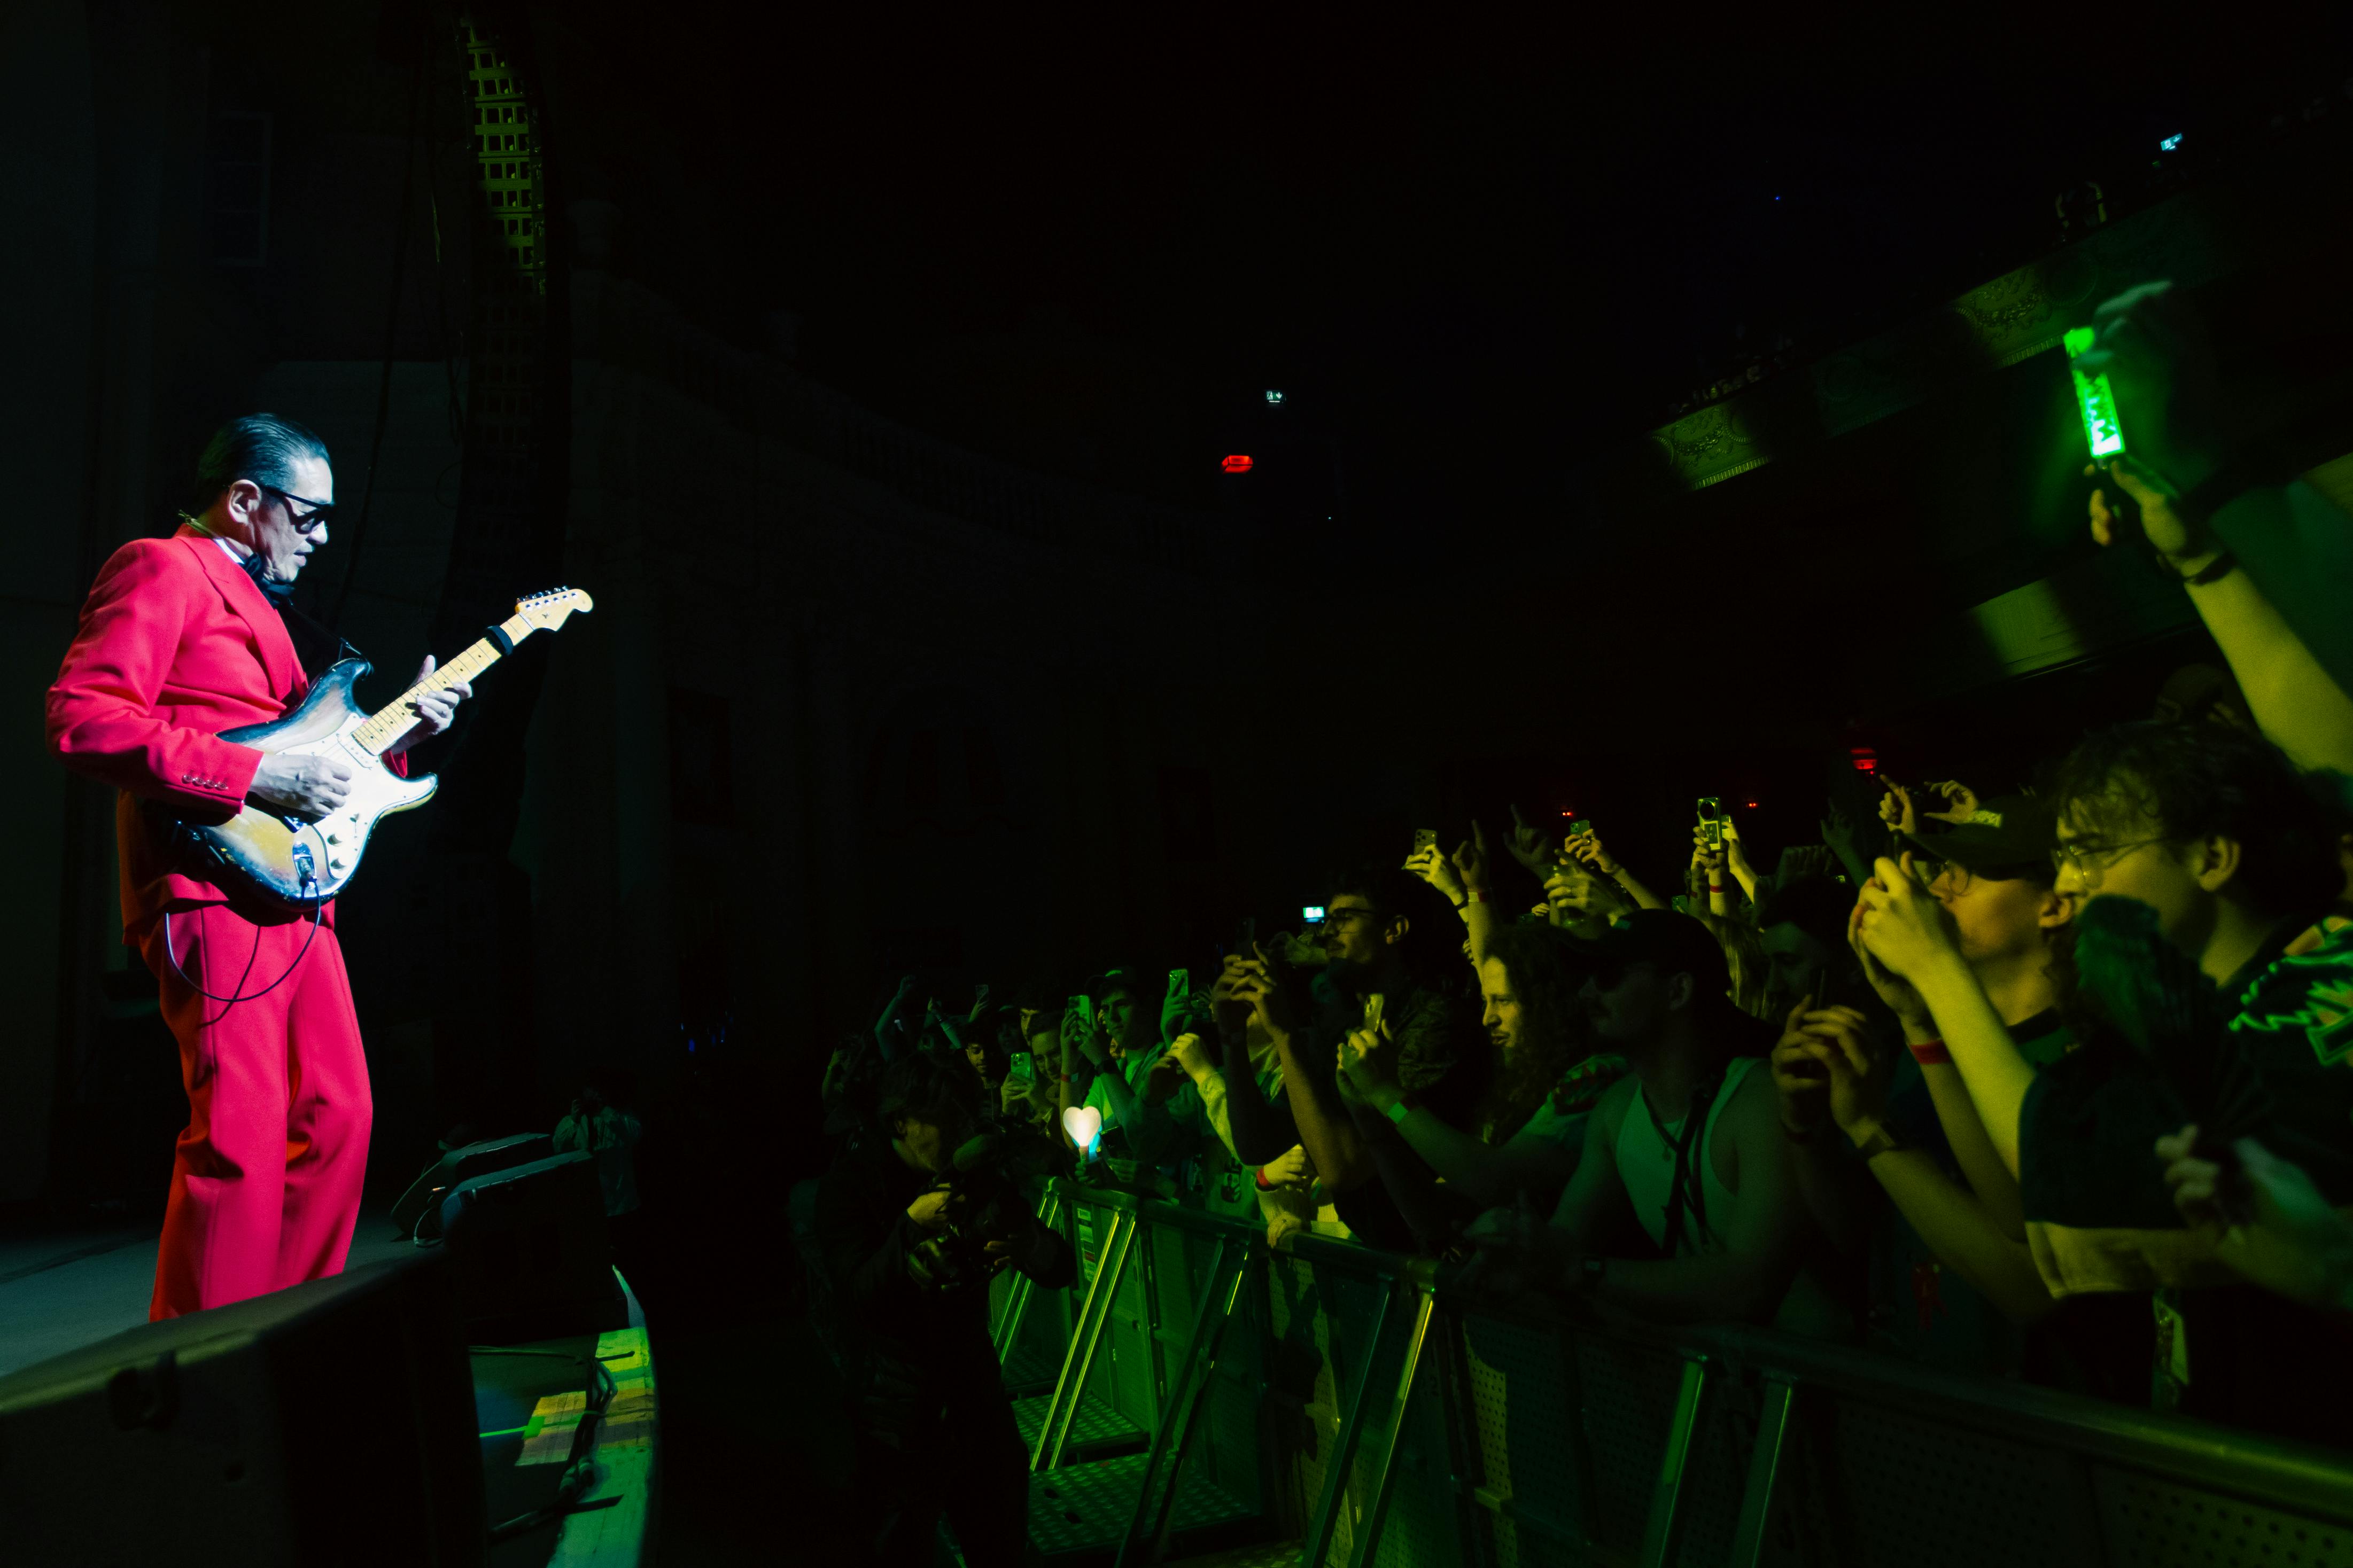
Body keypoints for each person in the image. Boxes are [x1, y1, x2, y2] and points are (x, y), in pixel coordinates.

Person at [46, 414, 470, 1319]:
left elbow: (305, 751)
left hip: (292, 891)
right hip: (207, 880)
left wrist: (401, 733)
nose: (321, 539)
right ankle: (206, 1359)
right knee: (241, 1130)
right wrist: (254, 776)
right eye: (308, 516)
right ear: (244, 500)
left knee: (338, 1117)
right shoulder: (161, 567)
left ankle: (288, 1332)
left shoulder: (266, 608)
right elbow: (83, 718)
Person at [1854, 720, 2353, 1438]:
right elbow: (2029, 1202)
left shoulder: (2312, 1001)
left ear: (2210, 855)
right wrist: (1920, 1016)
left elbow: (2066, 1169)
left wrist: (1937, 968)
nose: (2065, 885)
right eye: (2062, 858)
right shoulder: (2173, 1021)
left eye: (2090, 854)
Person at [1481, 910, 1849, 1335]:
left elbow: (1748, 1287)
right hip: (1719, 1368)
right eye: (1585, 977)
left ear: (1677, 990)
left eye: (1608, 976)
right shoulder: (1616, 1109)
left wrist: (1577, 1269)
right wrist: (1513, 1247)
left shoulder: (1759, 1102)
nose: (1585, 992)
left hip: (1817, 1368)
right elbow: (1566, 1238)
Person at [813, 1051, 1074, 1566]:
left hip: (975, 1398)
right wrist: (910, 1227)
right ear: (901, 1122)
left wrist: (1030, 1245)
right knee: (898, 1550)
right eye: (944, 1120)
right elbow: (858, 1297)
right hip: (895, 1414)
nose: (959, 1134)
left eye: (965, 1118)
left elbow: (1058, 1267)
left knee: (1000, 1546)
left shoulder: (973, 1178)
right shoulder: (851, 1186)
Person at [1217, 865, 1489, 1252]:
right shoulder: (1338, 1024)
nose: (1326, 932)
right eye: (1327, 920)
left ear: (1394, 929)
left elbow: (1344, 1169)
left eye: (1344, 918)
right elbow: (1257, 1146)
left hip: (1448, 1257)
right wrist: (1231, 1037)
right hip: (1384, 1259)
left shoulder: (1433, 1023)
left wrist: (1285, 1035)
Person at [1339, 920, 1624, 1219]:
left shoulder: (1599, 1076)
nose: (1488, 1018)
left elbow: (1496, 1180)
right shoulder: (1518, 1084)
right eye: (1486, 1001)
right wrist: (1369, 1119)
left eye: (1503, 1001)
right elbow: (1432, 1216)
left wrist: (1384, 1093)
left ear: (1552, 999)